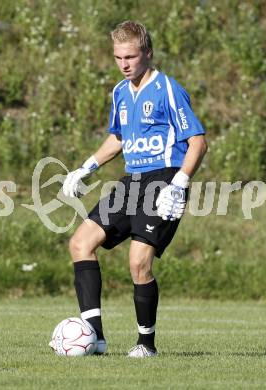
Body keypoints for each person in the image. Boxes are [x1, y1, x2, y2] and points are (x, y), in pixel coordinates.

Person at [63, 20, 207, 358]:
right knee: (80, 243)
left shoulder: (168, 89)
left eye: (130, 56)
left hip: (165, 179)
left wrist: (180, 182)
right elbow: (118, 138)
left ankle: (146, 344)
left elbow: (198, 142)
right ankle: (94, 338)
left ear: (148, 53)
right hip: (133, 180)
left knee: (138, 263)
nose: (124, 64)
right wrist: (86, 167)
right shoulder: (120, 92)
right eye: (118, 57)